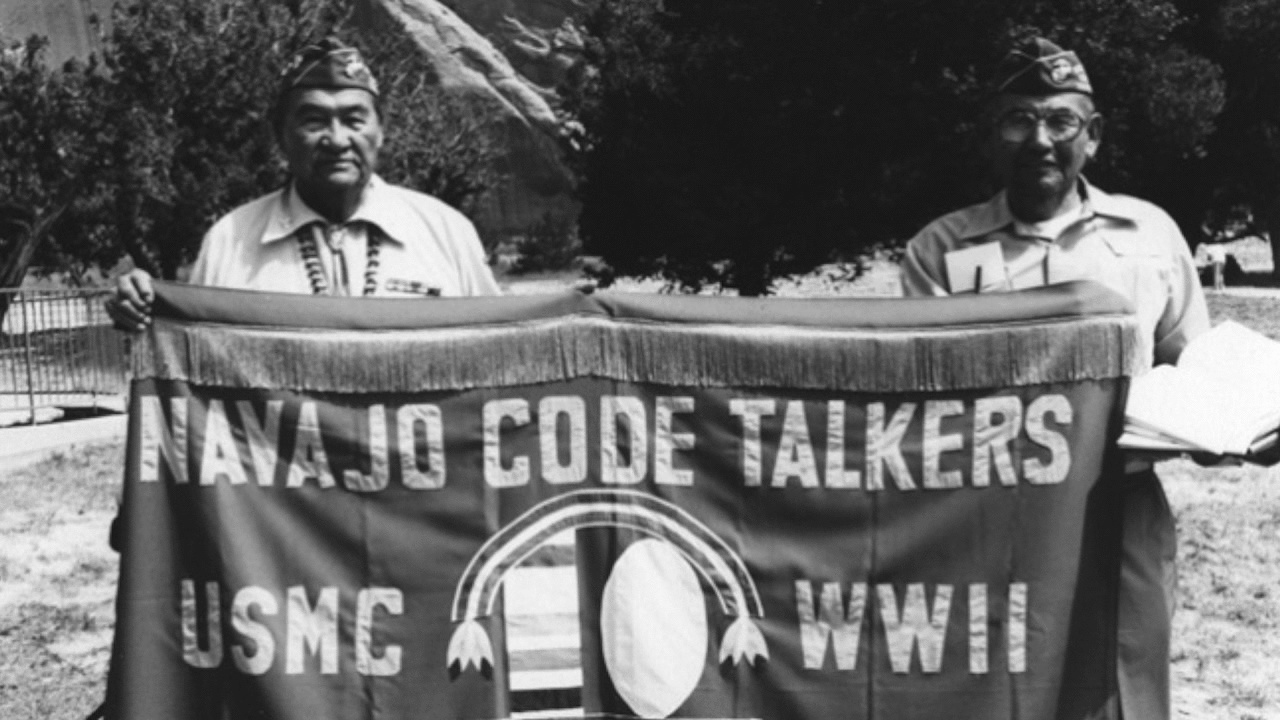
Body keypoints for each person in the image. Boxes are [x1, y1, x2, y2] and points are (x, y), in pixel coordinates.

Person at [900, 38, 1210, 720]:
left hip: (1118, 508)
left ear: (1091, 136)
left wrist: (1235, 423)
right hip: (986, 515)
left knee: (1123, 689)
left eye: (1060, 121)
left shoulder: (1150, 235)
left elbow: (1194, 368)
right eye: (1018, 119)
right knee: (989, 693)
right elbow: (920, 405)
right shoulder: (940, 251)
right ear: (992, 135)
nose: (1039, 140)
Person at [106, 37, 499, 330]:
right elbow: (196, 363)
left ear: (381, 131)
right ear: (281, 135)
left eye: (354, 119)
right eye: (313, 121)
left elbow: (504, 352)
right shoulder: (231, 240)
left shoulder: (445, 232)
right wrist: (147, 311)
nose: (337, 139)